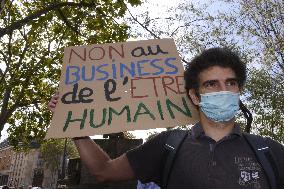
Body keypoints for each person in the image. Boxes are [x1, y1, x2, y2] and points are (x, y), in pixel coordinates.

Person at [48, 47, 284, 188]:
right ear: (194, 95)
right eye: (211, 84)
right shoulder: (168, 145)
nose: (223, 91)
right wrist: (75, 122)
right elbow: (103, 171)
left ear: (238, 90)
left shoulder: (270, 151)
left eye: (230, 83)